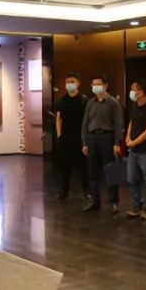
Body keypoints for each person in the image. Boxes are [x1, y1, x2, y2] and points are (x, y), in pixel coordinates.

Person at [81, 74, 123, 214]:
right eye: (93, 85)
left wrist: (117, 143)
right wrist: (84, 142)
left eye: (98, 84)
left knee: (111, 170)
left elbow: (118, 124)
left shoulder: (113, 103)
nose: (95, 87)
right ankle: (94, 201)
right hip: (92, 138)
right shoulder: (90, 103)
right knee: (92, 172)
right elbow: (85, 123)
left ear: (105, 86)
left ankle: (114, 202)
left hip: (107, 138)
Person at [125, 79, 146, 220]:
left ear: (141, 92)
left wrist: (133, 143)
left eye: (133, 89)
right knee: (131, 179)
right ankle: (136, 206)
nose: (131, 92)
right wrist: (128, 137)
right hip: (133, 151)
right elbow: (131, 122)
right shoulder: (135, 106)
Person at [54, 73, 89, 201]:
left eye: (72, 81)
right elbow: (59, 119)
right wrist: (59, 134)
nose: (69, 84)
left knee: (83, 166)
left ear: (78, 83)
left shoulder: (84, 100)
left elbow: (88, 120)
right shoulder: (62, 100)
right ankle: (63, 192)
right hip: (65, 138)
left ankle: (87, 191)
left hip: (80, 138)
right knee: (64, 167)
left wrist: (86, 138)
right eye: (67, 82)